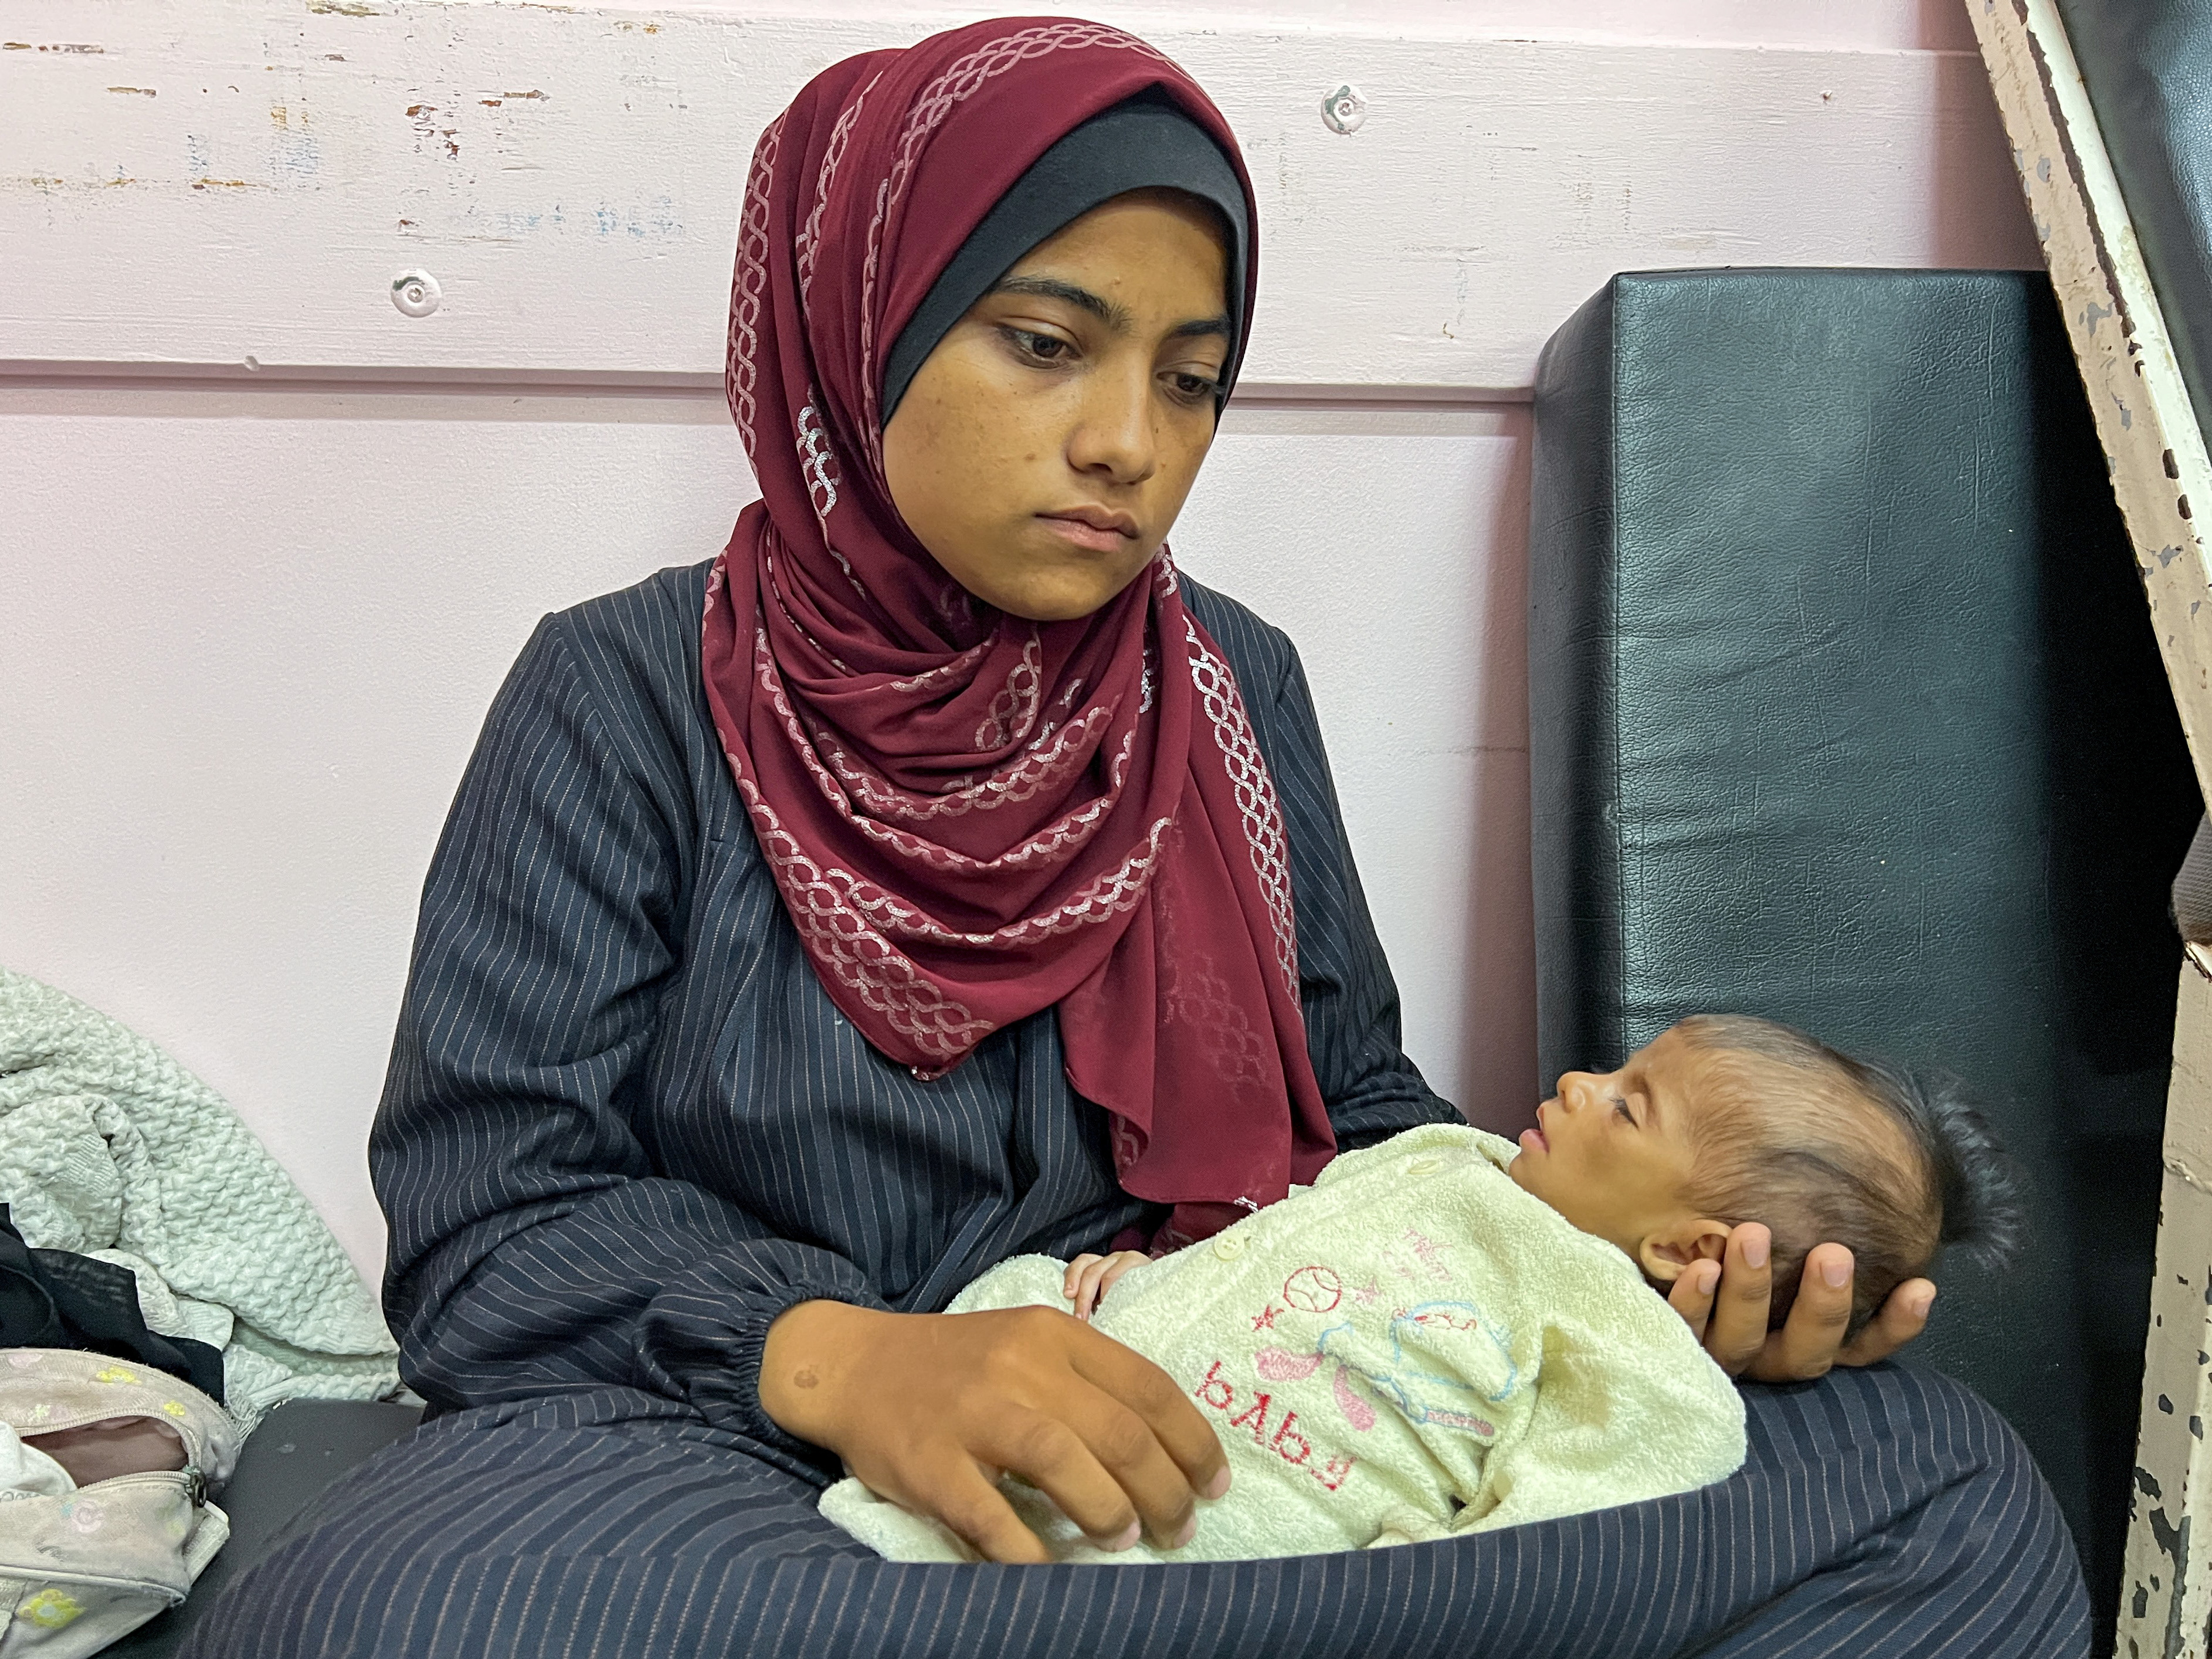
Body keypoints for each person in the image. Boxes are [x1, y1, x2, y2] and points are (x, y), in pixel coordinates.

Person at [180, 18, 2089, 1657]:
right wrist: (869, 1369)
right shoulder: (619, 698)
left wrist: (1633, 1288)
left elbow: (1355, 1118)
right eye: (1044, 341)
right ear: (862, 321)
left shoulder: (1227, 689)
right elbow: (495, 1231)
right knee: (402, 1609)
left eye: (1188, 377)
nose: (1128, 441)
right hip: (752, 1453)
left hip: (1234, 1414)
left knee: (1944, 1488)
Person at [821, 1015, 2023, 1564]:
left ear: (1680, 1247)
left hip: (1272, 1492)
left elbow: (1578, 1509)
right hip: (1128, 1336)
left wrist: (1422, 1573)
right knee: (1019, 1290)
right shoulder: (1459, 1162)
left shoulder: (1628, 1344)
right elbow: (1290, 1232)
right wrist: (1148, 1279)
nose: (1573, 1078)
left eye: (1625, 1103)